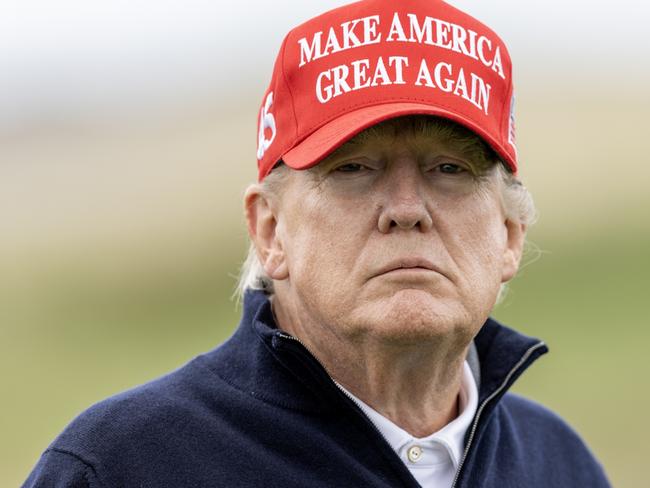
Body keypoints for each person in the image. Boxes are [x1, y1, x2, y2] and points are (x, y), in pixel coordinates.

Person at [24, 0, 610, 486]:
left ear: (509, 235)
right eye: (354, 168)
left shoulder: (557, 464)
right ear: (270, 229)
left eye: (450, 169)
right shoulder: (124, 467)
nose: (406, 210)